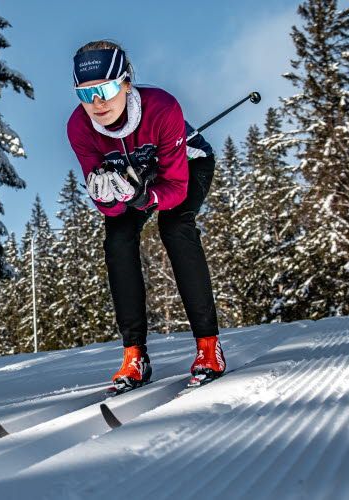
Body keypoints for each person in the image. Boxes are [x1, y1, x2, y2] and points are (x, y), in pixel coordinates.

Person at [66, 41, 225, 390]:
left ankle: (208, 346)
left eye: (107, 89)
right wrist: (109, 199)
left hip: (185, 168)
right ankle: (133, 354)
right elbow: (106, 204)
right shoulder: (80, 127)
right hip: (134, 182)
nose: (98, 102)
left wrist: (144, 196)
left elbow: (176, 189)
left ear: (126, 82)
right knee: (118, 239)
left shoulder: (161, 108)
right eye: (85, 93)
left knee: (176, 228)